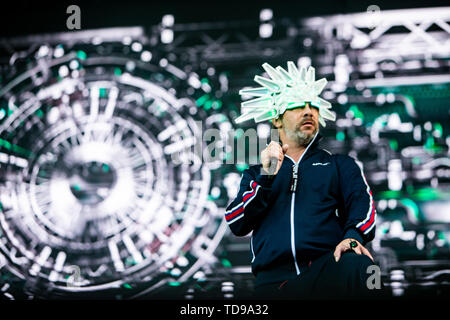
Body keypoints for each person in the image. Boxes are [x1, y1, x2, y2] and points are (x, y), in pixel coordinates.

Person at [225, 62, 379, 299]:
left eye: (314, 107)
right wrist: (267, 178)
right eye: (297, 106)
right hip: (273, 283)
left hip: (326, 268)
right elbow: (237, 222)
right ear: (277, 119)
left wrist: (353, 237)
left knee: (366, 269)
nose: (308, 111)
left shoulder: (338, 165)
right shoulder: (256, 174)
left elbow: (362, 204)